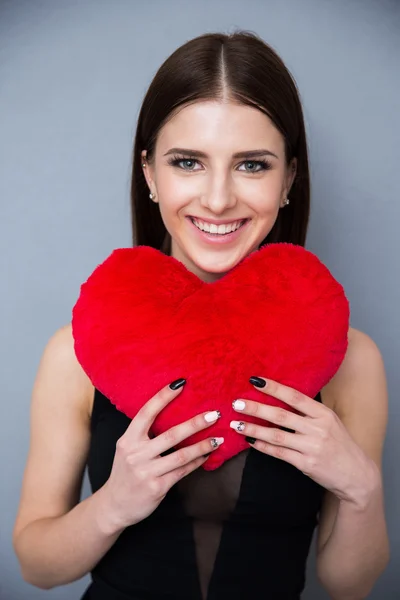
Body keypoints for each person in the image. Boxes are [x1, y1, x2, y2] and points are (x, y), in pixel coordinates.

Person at [13, 31, 389, 599]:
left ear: (288, 179)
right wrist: (113, 506)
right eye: (188, 162)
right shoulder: (76, 352)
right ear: (149, 173)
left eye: (252, 166)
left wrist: (362, 488)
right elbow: (38, 566)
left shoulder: (350, 360)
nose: (217, 199)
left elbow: (348, 586)